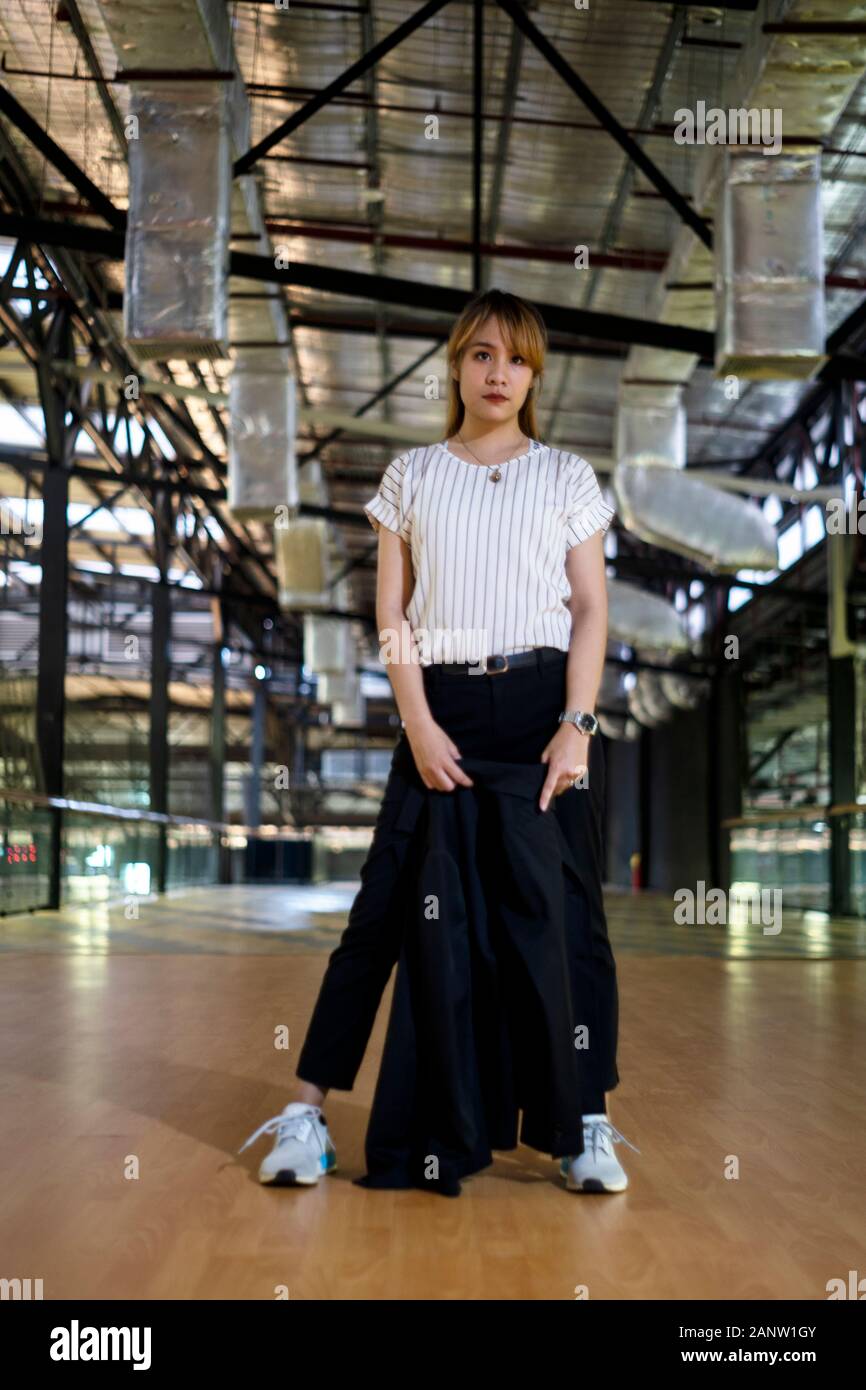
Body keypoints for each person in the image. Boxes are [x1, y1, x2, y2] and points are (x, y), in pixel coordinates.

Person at [238, 288, 638, 1192]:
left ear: (535, 376)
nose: (500, 373)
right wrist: (417, 722)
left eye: (518, 359)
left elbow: (590, 608)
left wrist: (577, 726)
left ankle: (584, 1125)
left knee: (567, 920)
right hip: (441, 710)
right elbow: (392, 613)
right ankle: (306, 1115)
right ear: (456, 365)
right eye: (483, 354)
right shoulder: (411, 475)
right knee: (382, 911)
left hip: (542, 715)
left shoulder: (566, 476)